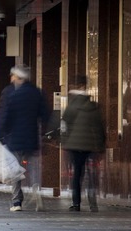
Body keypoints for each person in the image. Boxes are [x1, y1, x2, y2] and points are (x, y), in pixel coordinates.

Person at [0, 64, 48, 212]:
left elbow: (4, 116)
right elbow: (45, 115)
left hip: (14, 138)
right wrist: (44, 133)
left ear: (19, 77)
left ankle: (17, 201)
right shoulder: (36, 92)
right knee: (32, 166)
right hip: (31, 137)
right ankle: (36, 189)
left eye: (13, 76)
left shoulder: (11, 93)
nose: (11, 78)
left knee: (15, 170)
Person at [61, 75, 105, 212]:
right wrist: (101, 145)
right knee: (91, 174)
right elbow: (99, 128)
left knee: (77, 175)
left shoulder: (71, 106)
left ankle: (76, 203)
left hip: (74, 146)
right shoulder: (94, 107)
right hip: (90, 146)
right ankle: (93, 203)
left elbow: (64, 126)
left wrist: (64, 142)